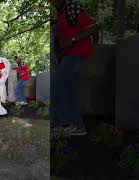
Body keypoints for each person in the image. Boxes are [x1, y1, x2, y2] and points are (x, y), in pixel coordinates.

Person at [53, 0, 99, 136]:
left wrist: (72, 40)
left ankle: (66, 123)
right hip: (69, 55)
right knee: (70, 90)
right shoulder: (61, 13)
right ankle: (79, 127)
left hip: (77, 53)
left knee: (57, 85)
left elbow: (92, 27)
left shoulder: (73, 7)